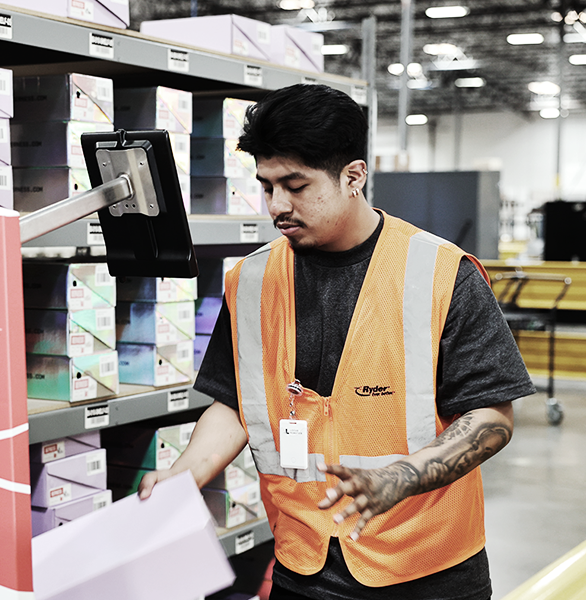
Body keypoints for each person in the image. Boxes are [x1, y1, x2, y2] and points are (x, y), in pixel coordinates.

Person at [138, 84, 534, 599]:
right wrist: (185, 473)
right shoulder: (251, 280)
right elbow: (235, 403)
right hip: (301, 564)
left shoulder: (441, 274)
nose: (277, 206)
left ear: (353, 176)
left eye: (296, 186)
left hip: (427, 571)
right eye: (267, 186)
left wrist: (401, 477)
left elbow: (491, 418)